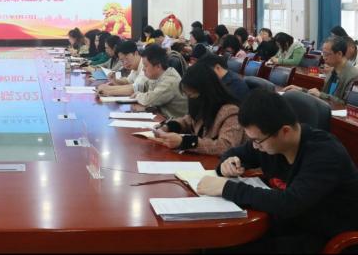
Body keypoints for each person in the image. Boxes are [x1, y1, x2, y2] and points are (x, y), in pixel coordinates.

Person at [197, 89, 358, 253]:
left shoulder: (325, 154)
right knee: (214, 243)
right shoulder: (270, 141)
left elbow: (290, 203)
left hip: (323, 234)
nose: (255, 146)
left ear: (285, 132)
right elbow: (235, 153)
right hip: (288, 222)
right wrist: (227, 164)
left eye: (257, 141)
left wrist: (226, 188)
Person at [150, 62, 243, 156]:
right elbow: (187, 120)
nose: (190, 100)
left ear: (207, 91)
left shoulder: (231, 112)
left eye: (192, 95)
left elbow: (226, 146)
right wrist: (168, 127)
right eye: (188, 96)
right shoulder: (205, 105)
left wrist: (184, 142)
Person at [282, 36, 358, 104]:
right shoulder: (333, 71)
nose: (324, 58)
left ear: (339, 54)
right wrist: (301, 90)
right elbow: (323, 95)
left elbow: (347, 105)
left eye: (326, 54)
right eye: (323, 54)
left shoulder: (354, 76)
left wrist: (321, 95)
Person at [131, 44, 188, 119]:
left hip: (175, 123)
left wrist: (138, 95)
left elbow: (149, 100)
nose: (143, 69)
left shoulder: (170, 81)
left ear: (158, 66)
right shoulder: (157, 77)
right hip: (163, 118)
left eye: (145, 65)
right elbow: (145, 91)